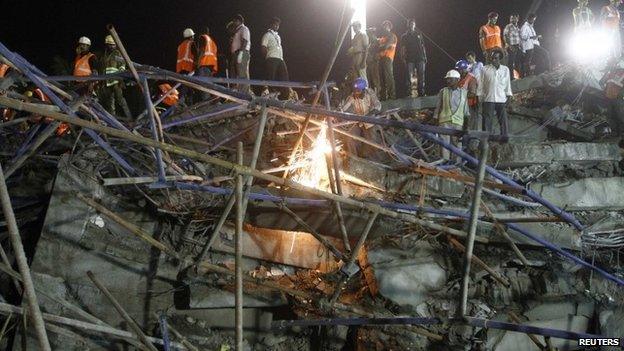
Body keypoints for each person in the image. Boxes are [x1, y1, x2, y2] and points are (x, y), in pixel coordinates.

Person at [339, 77, 381, 158]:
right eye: (355, 91)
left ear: (364, 90)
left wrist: (369, 116)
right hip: (358, 122)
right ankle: (354, 158)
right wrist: (338, 112)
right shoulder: (352, 96)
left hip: (370, 122)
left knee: (371, 142)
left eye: (359, 91)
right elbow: (344, 108)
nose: (357, 94)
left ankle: (372, 159)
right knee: (350, 137)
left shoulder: (370, 93)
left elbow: (378, 106)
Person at [433, 70, 470, 161]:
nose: (448, 81)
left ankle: (456, 167)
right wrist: (435, 119)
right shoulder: (443, 91)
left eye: (450, 79)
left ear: (457, 80)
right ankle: (445, 165)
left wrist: (466, 126)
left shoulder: (464, 92)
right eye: (447, 79)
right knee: (444, 146)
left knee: (457, 146)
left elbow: (466, 111)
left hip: (458, 123)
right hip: (444, 122)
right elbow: (438, 107)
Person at [477, 49, 512, 140]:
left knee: (503, 119)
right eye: (492, 58)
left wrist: (509, 95)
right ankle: (486, 138)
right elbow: (480, 84)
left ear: (499, 58)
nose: (493, 60)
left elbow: (507, 84)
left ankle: (504, 137)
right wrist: (479, 97)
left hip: (501, 99)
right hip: (488, 98)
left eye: (495, 58)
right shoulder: (484, 69)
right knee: (487, 120)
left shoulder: (505, 69)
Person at [100, 35, 131, 118]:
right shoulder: (104, 55)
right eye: (110, 44)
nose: (112, 46)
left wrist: (121, 78)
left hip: (116, 81)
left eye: (113, 44)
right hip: (107, 81)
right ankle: (112, 119)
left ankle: (129, 117)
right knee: (110, 102)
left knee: (120, 100)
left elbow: (122, 66)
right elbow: (103, 68)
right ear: (107, 44)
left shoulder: (117, 53)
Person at [261, 17, 289, 99]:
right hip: (271, 58)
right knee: (271, 77)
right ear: (271, 25)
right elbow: (263, 47)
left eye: (278, 25)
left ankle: (284, 97)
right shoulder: (267, 35)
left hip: (280, 58)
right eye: (275, 24)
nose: (277, 26)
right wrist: (267, 58)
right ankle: (271, 96)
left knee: (284, 77)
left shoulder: (278, 36)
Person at [401, 18, 427, 97]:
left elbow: (423, 46)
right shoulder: (404, 36)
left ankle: (421, 92)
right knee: (409, 76)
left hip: (420, 57)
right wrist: (403, 57)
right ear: (408, 25)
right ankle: (409, 93)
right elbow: (403, 48)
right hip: (410, 58)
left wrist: (425, 56)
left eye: (413, 23)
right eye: (410, 23)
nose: (411, 24)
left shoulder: (419, 34)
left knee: (421, 75)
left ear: (415, 25)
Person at [600, 58, 624, 141]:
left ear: (615, 64)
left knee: (620, 116)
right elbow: (602, 83)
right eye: (608, 64)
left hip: (618, 98)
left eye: (610, 64)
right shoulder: (609, 74)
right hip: (609, 98)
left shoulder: (621, 72)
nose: (609, 65)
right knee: (611, 116)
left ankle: (622, 133)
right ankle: (614, 133)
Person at [456, 60, 479, 131]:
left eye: (459, 70)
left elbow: (472, 93)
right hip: (462, 106)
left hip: (470, 106)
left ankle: (473, 140)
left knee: (470, 126)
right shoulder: (460, 79)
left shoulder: (471, 79)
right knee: (463, 126)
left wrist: (460, 95)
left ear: (464, 69)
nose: (458, 71)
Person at [231, 14, 251, 93]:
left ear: (239, 21)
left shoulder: (244, 28)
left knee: (242, 73)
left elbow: (245, 41)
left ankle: (244, 93)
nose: (234, 23)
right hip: (236, 53)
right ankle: (239, 91)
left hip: (242, 52)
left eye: (235, 21)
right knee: (237, 74)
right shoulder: (237, 30)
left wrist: (241, 53)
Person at [378, 20, 397, 100]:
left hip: (387, 58)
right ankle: (383, 97)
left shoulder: (392, 36)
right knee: (381, 78)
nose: (384, 28)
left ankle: (391, 96)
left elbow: (385, 46)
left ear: (389, 27)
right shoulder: (383, 38)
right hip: (381, 58)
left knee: (388, 77)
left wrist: (378, 48)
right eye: (383, 26)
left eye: (386, 26)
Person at [504, 14, 522, 79]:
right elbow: (505, 36)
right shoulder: (508, 26)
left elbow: (519, 38)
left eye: (514, 18)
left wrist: (521, 47)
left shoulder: (518, 28)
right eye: (511, 18)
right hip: (511, 46)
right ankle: (511, 78)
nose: (512, 20)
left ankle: (519, 76)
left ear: (517, 19)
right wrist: (510, 46)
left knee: (518, 62)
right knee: (510, 62)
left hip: (518, 46)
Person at [366, 27, 381, 93]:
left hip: (374, 62)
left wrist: (374, 58)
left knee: (375, 79)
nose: (368, 34)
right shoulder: (370, 43)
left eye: (369, 33)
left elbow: (377, 52)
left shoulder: (376, 41)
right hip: (369, 63)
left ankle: (378, 94)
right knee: (371, 79)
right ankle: (374, 94)